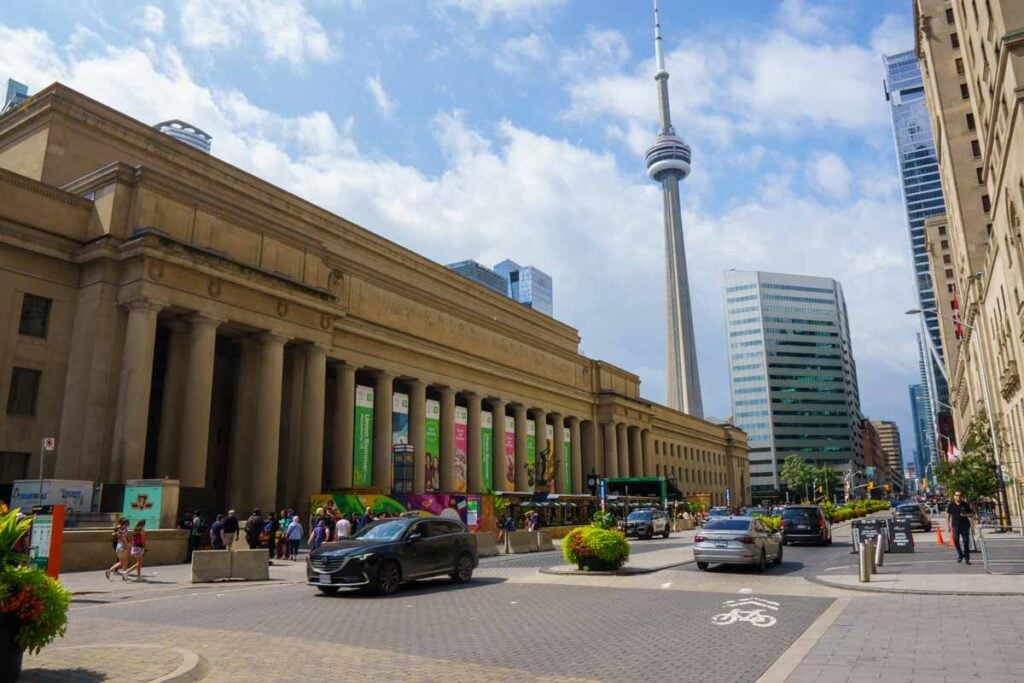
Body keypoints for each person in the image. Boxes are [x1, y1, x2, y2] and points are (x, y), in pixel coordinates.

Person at [946, 491, 975, 565]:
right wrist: (948, 525)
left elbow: (972, 514)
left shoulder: (965, 505)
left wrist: (965, 515)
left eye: (960, 495)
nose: (958, 496)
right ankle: (960, 554)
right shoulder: (951, 505)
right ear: (954, 496)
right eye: (957, 495)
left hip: (965, 526)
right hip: (955, 526)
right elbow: (948, 515)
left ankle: (967, 559)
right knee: (955, 540)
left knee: (966, 542)